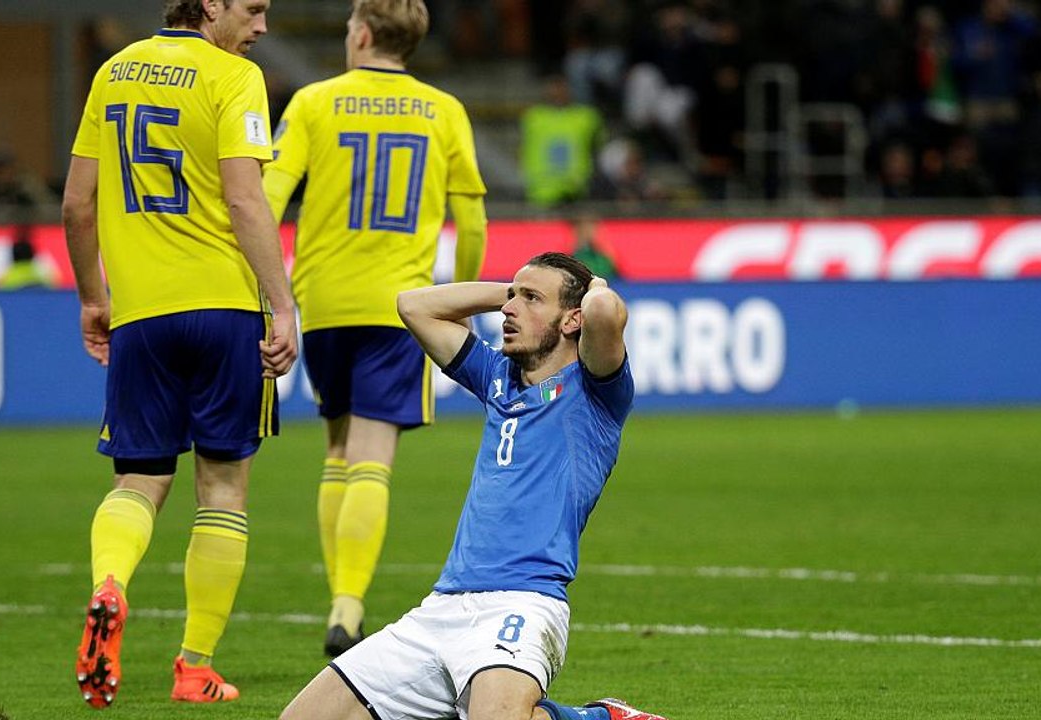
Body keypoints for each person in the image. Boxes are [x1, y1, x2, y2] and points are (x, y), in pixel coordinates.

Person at [280, 252, 670, 720]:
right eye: (512, 297)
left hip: (524, 602)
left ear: (572, 319)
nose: (509, 309)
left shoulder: (595, 392)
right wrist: (511, 292)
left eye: (531, 299)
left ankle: (601, 717)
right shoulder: (496, 377)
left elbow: (605, 311)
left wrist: (594, 287)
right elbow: (412, 305)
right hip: (441, 607)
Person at [61, 0, 295, 709]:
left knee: (138, 479)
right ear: (211, 3)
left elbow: (76, 205)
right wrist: (282, 303)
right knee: (222, 487)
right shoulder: (233, 77)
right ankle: (195, 668)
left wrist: (94, 298)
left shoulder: (113, 72)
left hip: (141, 316)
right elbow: (245, 200)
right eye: (253, 9)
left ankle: (109, 585)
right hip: (225, 309)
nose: (261, 27)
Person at [263, 0, 488, 657]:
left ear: (361, 33)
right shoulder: (444, 110)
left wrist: (264, 286)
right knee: (372, 457)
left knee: (337, 449)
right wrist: (457, 300)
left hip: (324, 301)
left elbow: (269, 198)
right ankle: (348, 606)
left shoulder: (313, 101)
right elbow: (473, 222)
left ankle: (340, 596)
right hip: (401, 305)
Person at [519, 74, 604, 209]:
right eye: (555, 88)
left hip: (577, 191)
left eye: (562, 88)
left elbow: (598, 146)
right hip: (541, 192)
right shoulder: (533, 117)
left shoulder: (587, 117)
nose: (558, 93)